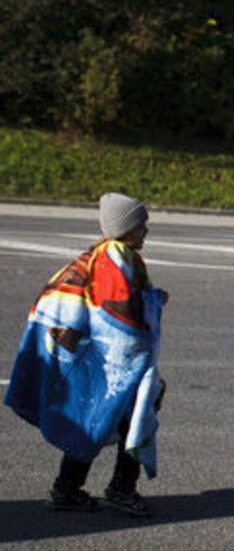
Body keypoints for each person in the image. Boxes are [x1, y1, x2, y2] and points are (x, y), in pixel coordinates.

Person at [5, 193, 167, 517]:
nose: (146, 230)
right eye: (141, 224)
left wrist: (152, 299)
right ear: (125, 228)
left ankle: (67, 488)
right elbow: (118, 318)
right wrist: (144, 323)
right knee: (127, 415)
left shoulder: (108, 255)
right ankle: (119, 490)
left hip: (90, 353)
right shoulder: (113, 260)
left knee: (94, 416)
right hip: (109, 359)